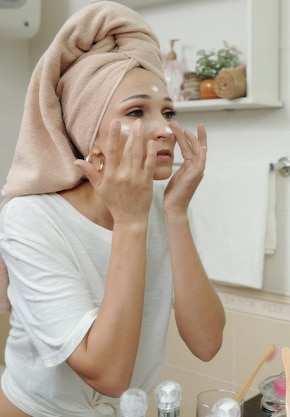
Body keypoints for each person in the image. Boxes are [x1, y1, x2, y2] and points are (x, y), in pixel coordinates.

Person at [0, 2, 225, 416]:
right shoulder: (30, 218)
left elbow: (207, 343)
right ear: (90, 134)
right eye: (137, 111)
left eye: (168, 112)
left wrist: (174, 213)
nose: (165, 129)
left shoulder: (162, 202)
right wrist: (131, 221)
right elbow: (107, 374)